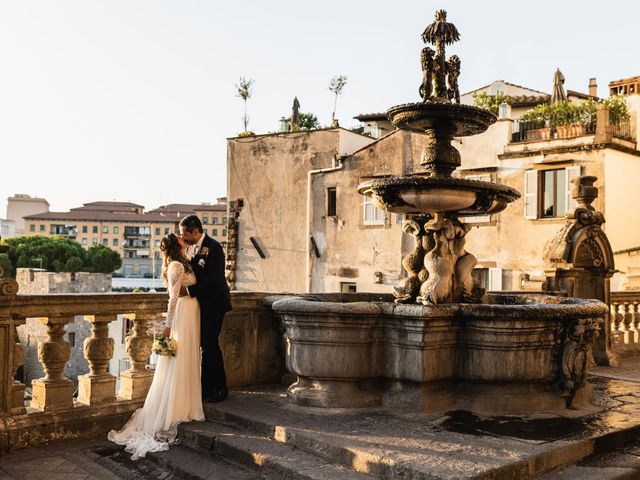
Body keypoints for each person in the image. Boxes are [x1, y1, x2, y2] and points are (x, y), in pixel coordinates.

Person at [108, 233, 205, 460]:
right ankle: (175, 409)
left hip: (192, 314)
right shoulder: (176, 267)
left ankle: (187, 404)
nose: (184, 238)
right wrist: (168, 326)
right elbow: (172, 298)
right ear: (175, 244)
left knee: (189, 359)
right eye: (180, 238)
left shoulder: (184, 261)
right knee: (178, 361)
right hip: (182, 315)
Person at [179, 214, 232, 403]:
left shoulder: (215, 247)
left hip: (215, 303)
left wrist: (189, 291)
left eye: (185, 234)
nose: (183, 238)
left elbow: (215, 278)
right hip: (201, 304)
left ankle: (220, 388)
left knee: (210, 346)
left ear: (195, 231)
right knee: (205, 346)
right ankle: (206, 388)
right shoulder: (191, 248)